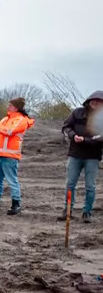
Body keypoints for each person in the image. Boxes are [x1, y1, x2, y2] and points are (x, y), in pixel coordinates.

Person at [0, 97, 35, 215]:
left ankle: (16, 204)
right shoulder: (6, 119)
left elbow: (9, 131)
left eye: (10, 105)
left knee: (12, 180)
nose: (7, 107)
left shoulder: (21, 120)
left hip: (10, 155)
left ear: (16, 107)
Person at [56, 91, 103, 223]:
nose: (96, 103)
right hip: (75, 155)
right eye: (93, 100)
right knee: (70, 184)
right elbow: (66, 126)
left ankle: (87, 212)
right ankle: (67, 210)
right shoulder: (77, 112)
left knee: (90, 186)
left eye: (99, 101)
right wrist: (73, 136)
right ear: (89, 101)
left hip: (93, 156)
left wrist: (85, 140)